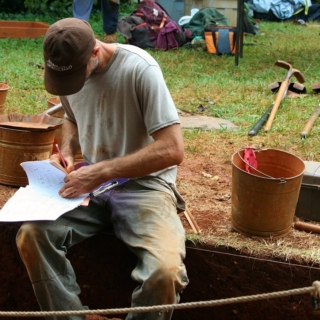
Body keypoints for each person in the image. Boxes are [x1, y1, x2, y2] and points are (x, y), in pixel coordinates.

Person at [16, 17, 189, 320]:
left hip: (144, 185)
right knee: (31, 234)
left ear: (95, 52)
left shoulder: (140, 69)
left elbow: (173, 149)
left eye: (75, 79)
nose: (71, 87)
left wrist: (102, 171)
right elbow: (71, 116)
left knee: (165, 272)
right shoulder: (69, 67)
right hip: (90, 185)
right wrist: (68, 149)